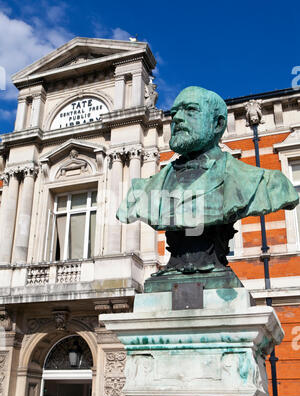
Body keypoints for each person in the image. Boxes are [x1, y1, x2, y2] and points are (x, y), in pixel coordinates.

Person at [117, 86, 299, 277]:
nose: (177, 118)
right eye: (175, 112)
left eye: (190, 110)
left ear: (218, 124)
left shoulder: (266, 183)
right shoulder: (142, 191)